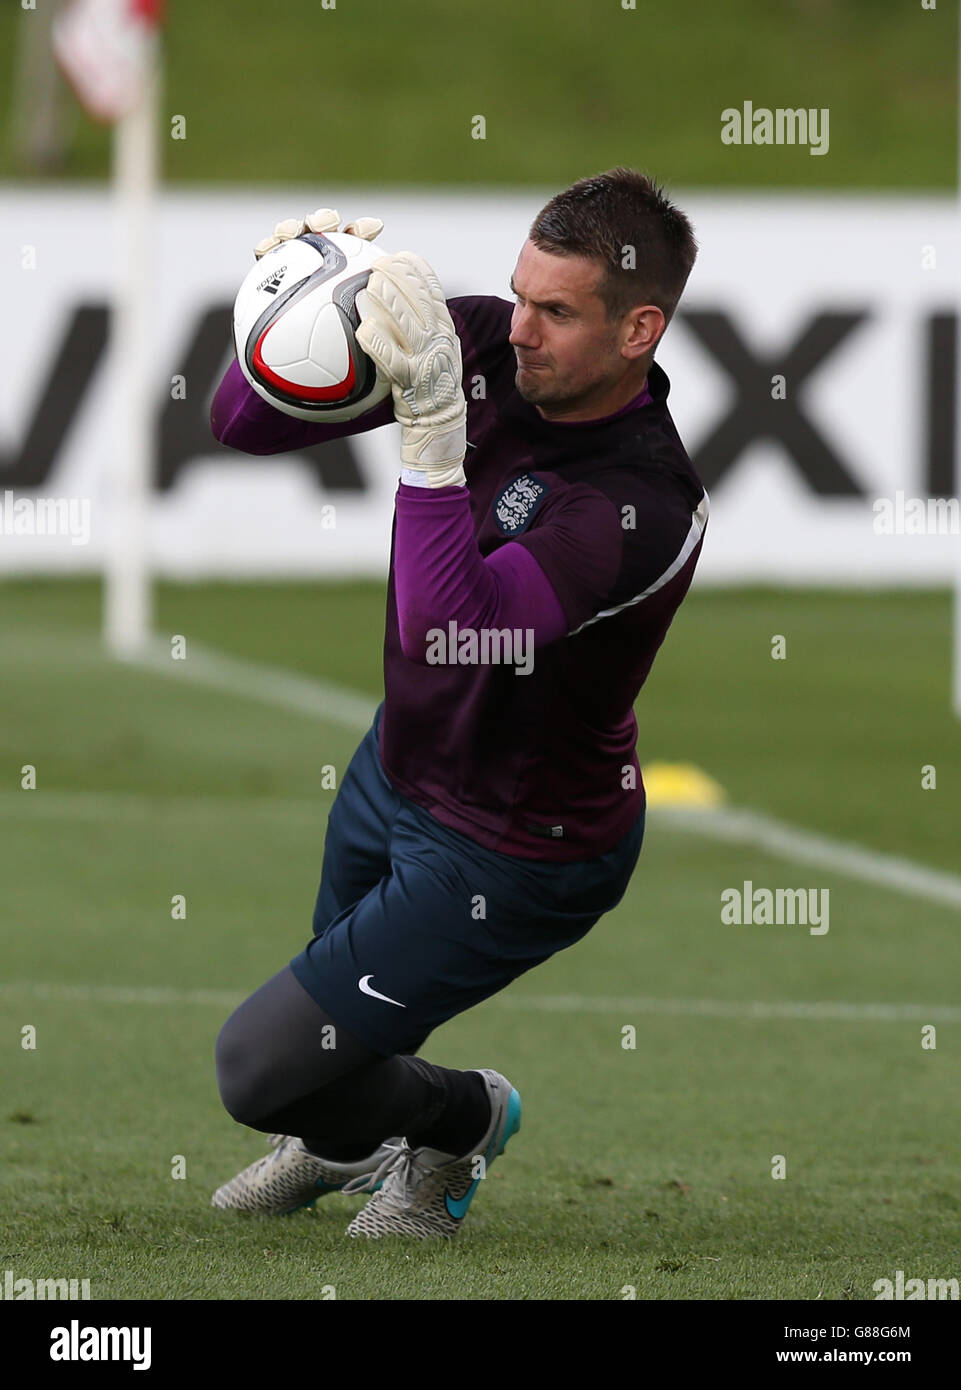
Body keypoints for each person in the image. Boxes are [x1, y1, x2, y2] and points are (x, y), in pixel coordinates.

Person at [208, 167, 708, 1239]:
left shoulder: (640, 505)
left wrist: (430, 428)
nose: (518, 327)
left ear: (638, 330)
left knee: (259, 1067)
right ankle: (344, 1140)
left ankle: (462, 1119)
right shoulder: (480, 342)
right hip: (399, 764)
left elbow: (453, 628)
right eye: (520, 294)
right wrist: (286, 306)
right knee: (330, 1056)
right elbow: (239, 425)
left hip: (520, 844)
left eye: (557, 311)